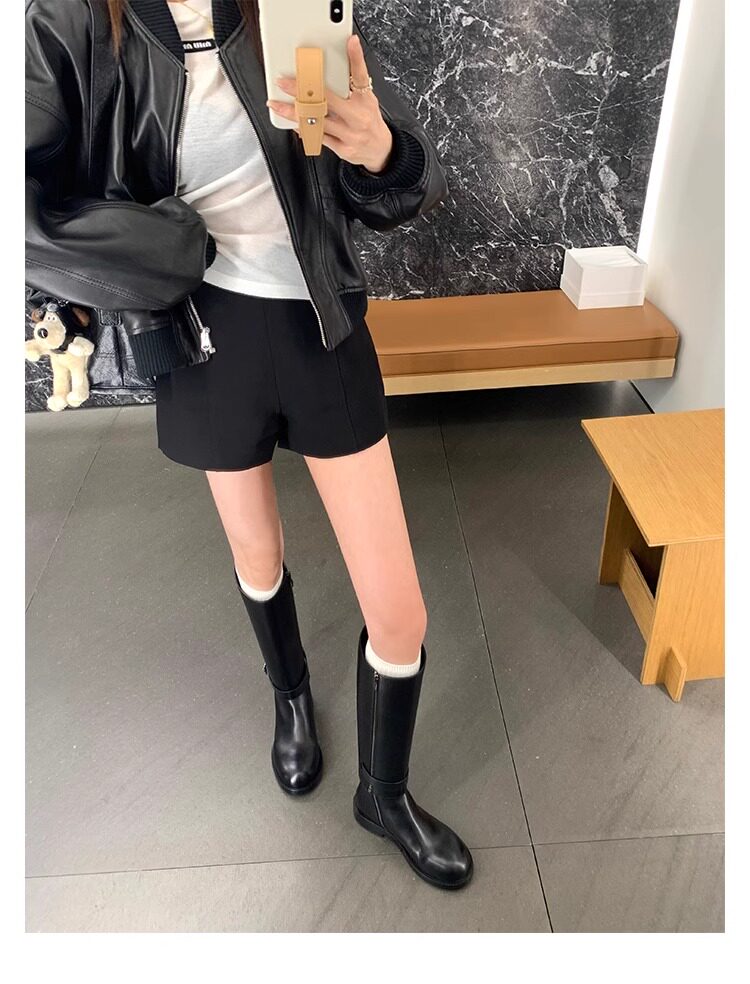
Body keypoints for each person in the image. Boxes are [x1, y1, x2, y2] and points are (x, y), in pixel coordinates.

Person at [25, 0, 473, 890]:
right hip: (199, 336)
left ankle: (383, 795)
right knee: (257, 553)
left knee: (401, 612)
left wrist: (381, 150)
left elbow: (391, 184)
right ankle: (291, 697)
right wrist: (105, 269)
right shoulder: (75, 18)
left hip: (320, 321)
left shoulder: (289, 7)